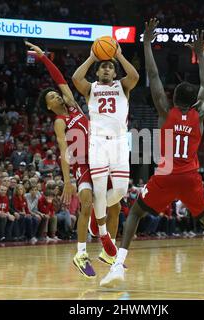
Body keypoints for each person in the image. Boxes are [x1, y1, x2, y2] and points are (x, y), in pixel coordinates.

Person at [100, 20, 204, 295]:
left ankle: (118, 265)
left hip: (165, 176)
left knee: (136, 215)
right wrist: (200, 54)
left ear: (174, 96)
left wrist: (145, 44)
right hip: (190, 177)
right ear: (194, 102)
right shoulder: (199, 114)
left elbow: (153, 76)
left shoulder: (165, 111)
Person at [26, 41, 121, 278]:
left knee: (116, 206)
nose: (56, 95)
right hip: (82, 164)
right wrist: (68, 181)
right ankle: (81, 253)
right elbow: (64, 152)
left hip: (101, 159)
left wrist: (44, 57)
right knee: (87, 203)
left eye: (55, 93)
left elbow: (61, 80)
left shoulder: (75, 108)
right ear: (49, 106)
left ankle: (109, 252)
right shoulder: (59, 122)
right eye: (52, 96)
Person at [72, 34, 139, 264]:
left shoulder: (124, 86)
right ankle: (103, 235)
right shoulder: (90, 88)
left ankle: (95, 213)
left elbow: (135, 75)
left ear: (115, 71)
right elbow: (75, 78)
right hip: (98, 141)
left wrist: (118, 54)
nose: (108, 70)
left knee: (120, 191)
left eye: (111, 67)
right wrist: (92, 57)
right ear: (98, 73)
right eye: (104, 68)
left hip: (120, 141)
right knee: (99, 191)